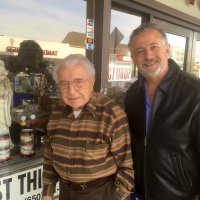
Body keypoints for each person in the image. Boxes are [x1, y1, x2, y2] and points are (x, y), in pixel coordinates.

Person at [42, 54, 134, 200]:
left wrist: (117, 197)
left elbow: (127, 166)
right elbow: (49, 158)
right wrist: (47, 193)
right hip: (66, 193)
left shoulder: (111, 113)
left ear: (92, 82)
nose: (71, 91)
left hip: (102, 194)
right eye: (64, 83)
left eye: (78, 82)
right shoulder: (57, 113)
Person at [124, 22, 200, 200]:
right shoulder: (132, 95)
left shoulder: (195, 93)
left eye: (154, 47)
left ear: (167, 50)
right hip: (139, 194)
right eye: (140, 51)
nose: (148, 55)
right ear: (134, 58)